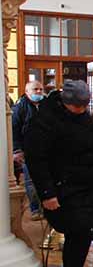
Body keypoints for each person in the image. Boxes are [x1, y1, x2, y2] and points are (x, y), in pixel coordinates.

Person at [24, 80, 93, 267]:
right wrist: (47, 194)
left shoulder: (83, 117)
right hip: (62, 190)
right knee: (76, 234)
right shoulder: (45, 120)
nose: (81, 110)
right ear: (65, 102)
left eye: (84, 106)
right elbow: (37, 160)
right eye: (77, 106)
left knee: (82, 237)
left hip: (86, 187)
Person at [12, 80, 44, 219]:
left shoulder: (46, 105)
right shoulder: (19, 108)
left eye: (40, 89)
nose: (39, 92)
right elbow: (14, 130)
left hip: (46, 150)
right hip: (28, 150)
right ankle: (35, 209)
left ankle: (46, 207)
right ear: (27, 92)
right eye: (35, 89)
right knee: (31, 181)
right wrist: (17, 150)